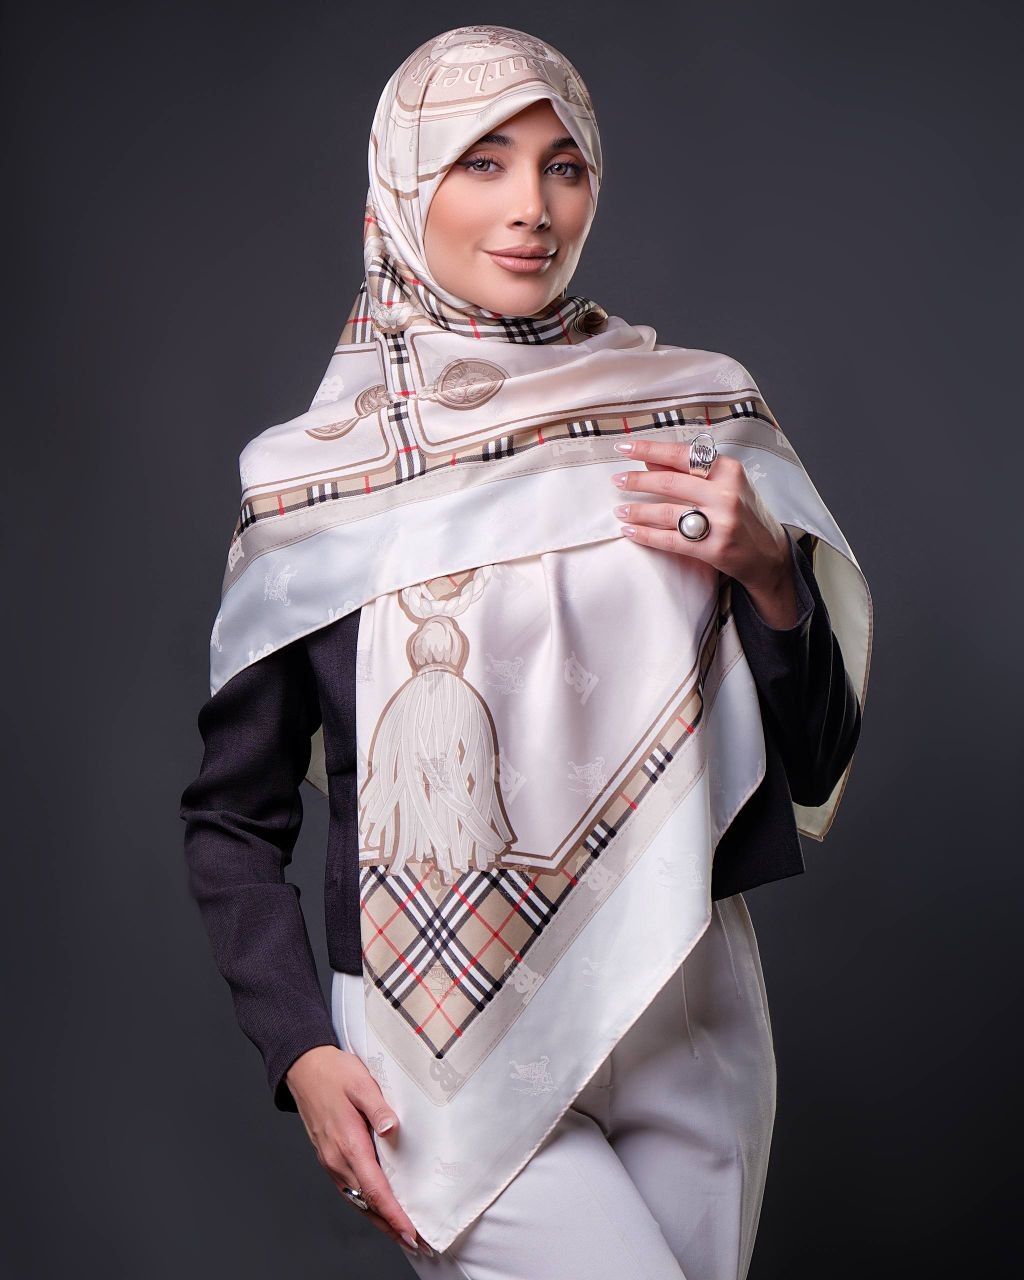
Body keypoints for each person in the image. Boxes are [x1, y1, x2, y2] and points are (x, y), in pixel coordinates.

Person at [179, 24, 871, 1280]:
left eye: (563, 165)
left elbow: (814, 755)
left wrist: (771, 573)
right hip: (432, 1020)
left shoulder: (692, 412)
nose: (531, 209)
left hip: (685, 992)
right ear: (405, 184)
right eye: (481, 161)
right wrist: (299, 1045)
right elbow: (232, 817)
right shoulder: (311, 485)